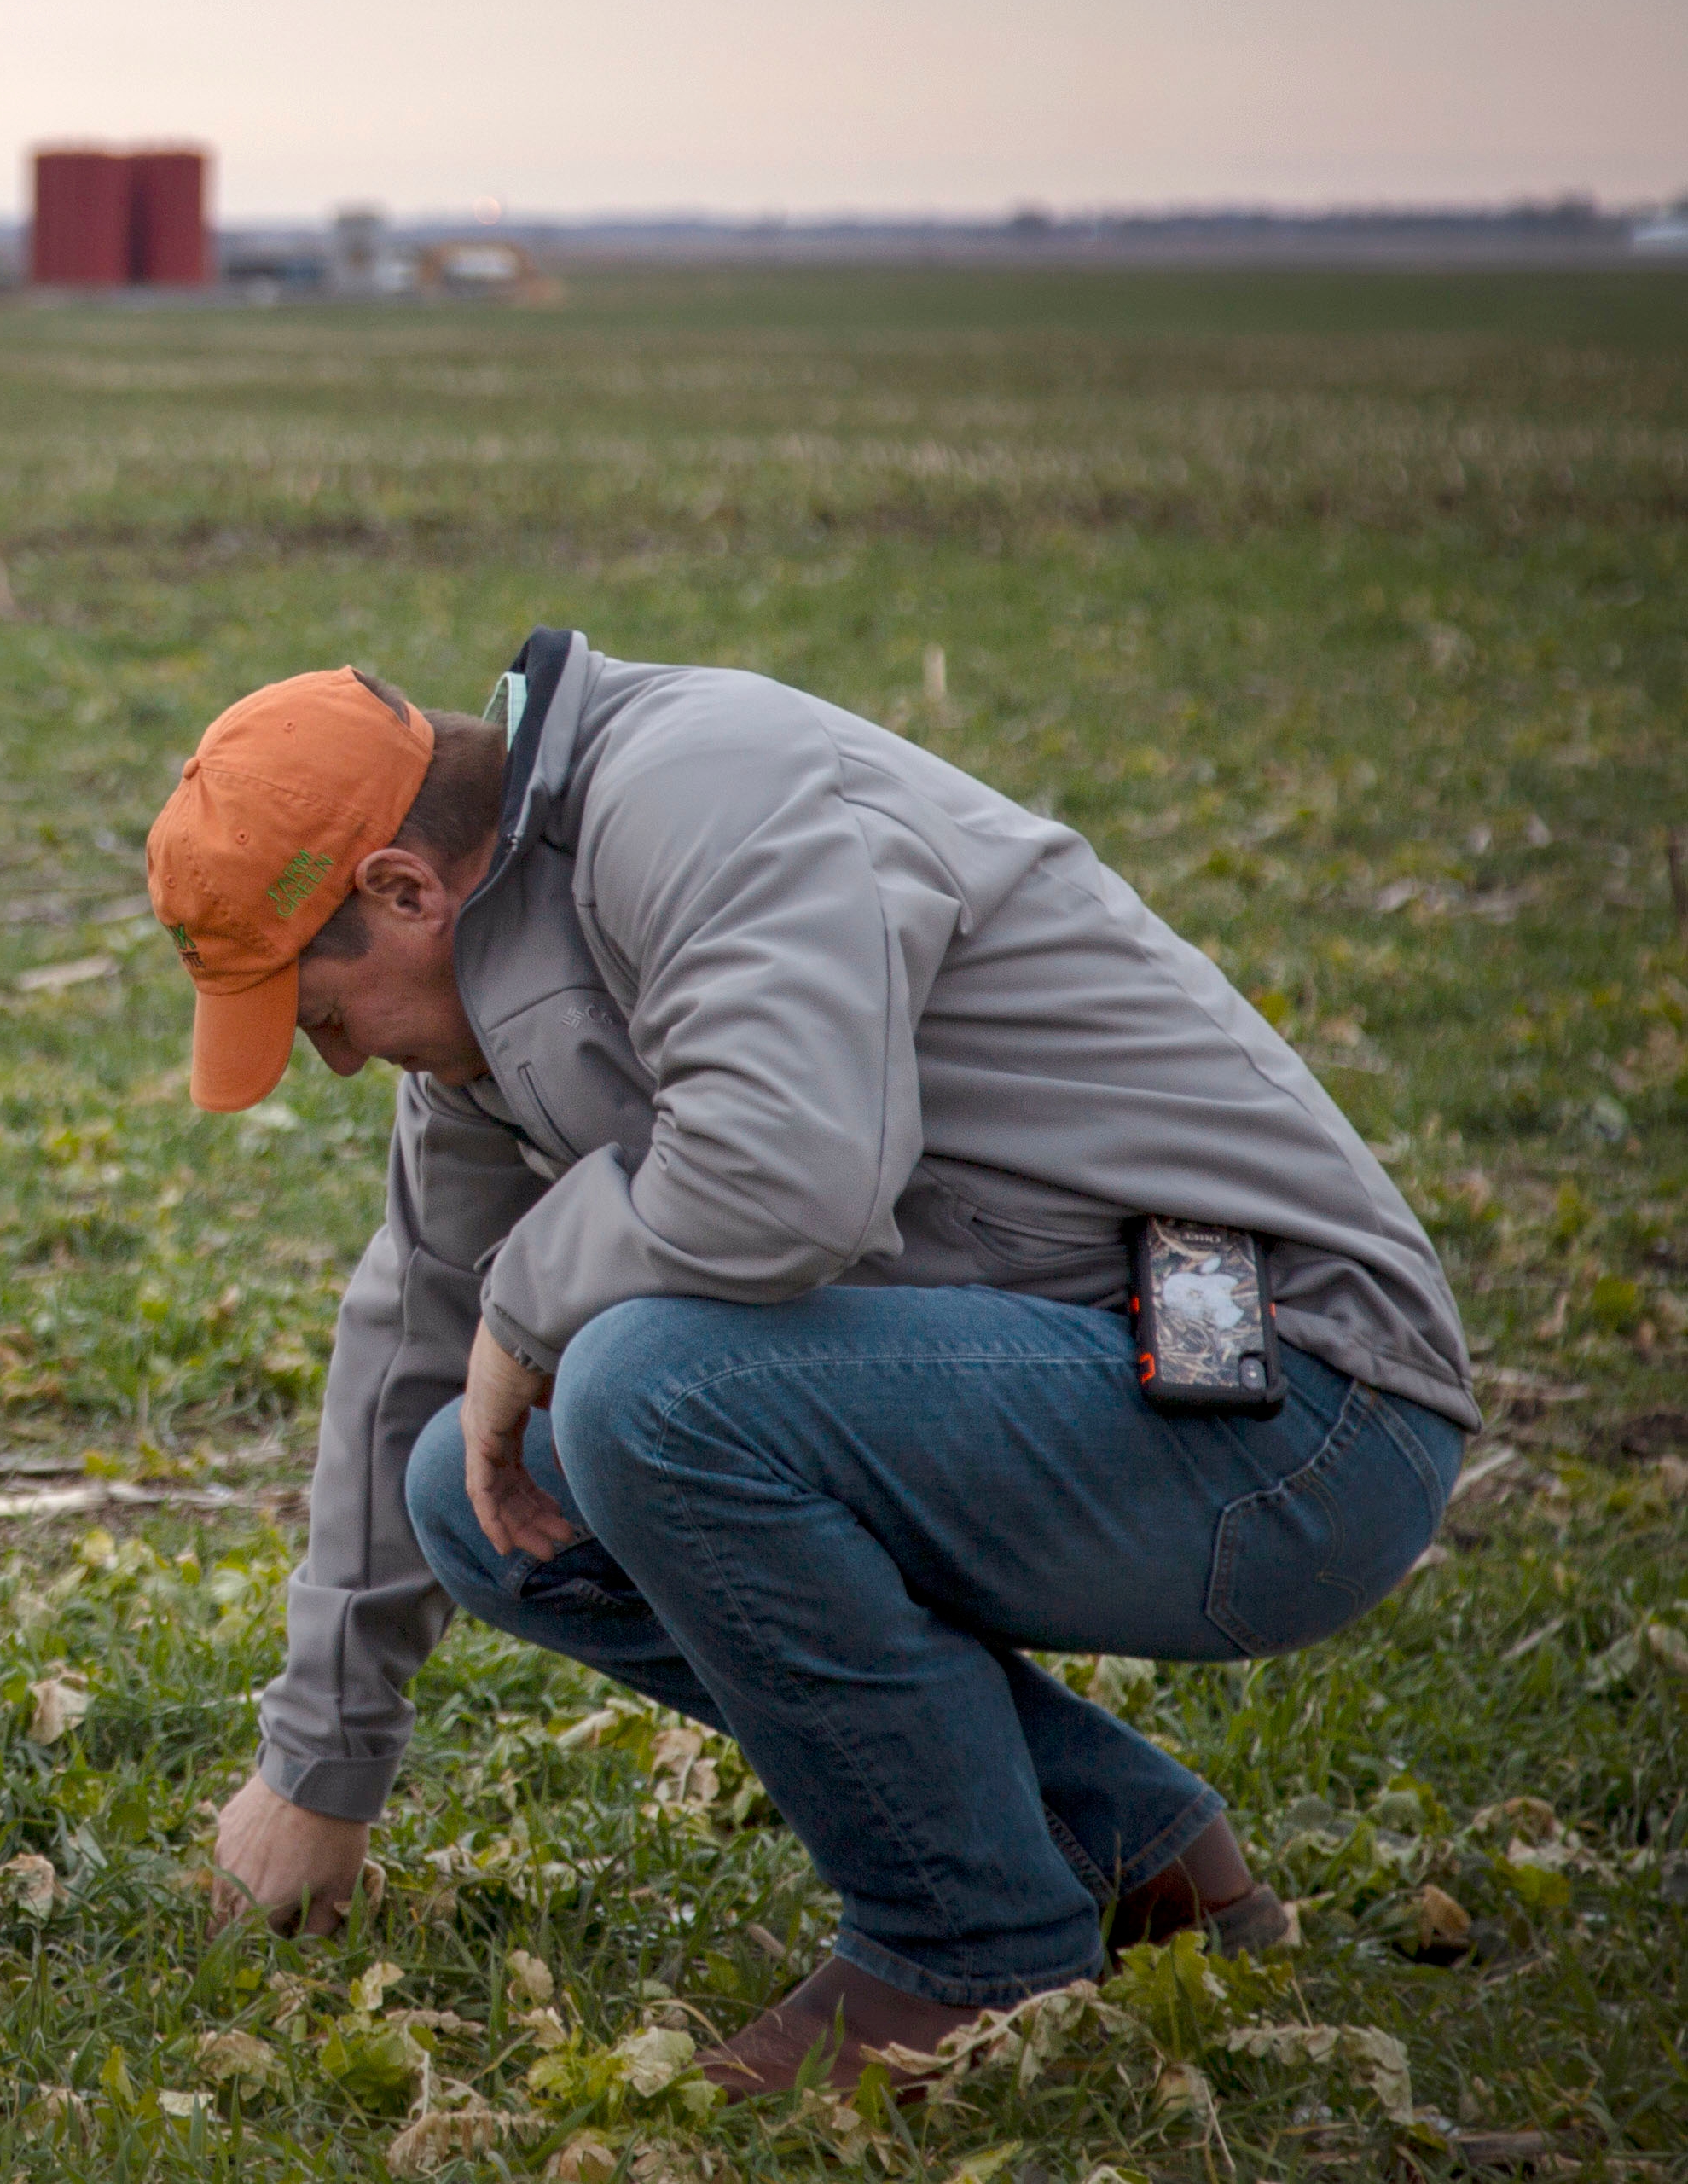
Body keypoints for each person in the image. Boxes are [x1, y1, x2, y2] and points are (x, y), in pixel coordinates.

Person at [152, 630, 1476, 2093]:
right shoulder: (491, 998)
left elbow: (790, 1179)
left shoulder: (699, 786)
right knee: (477, 1497)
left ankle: (968, 1950)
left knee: (648, 1392)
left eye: (324, 1016)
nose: (336, 1063)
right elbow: (413, 1334)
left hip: (1303, 1413)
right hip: (1103, 1383)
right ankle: (1130, 1854)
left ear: (403, 890)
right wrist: (318, 1768)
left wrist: (531, 1305)